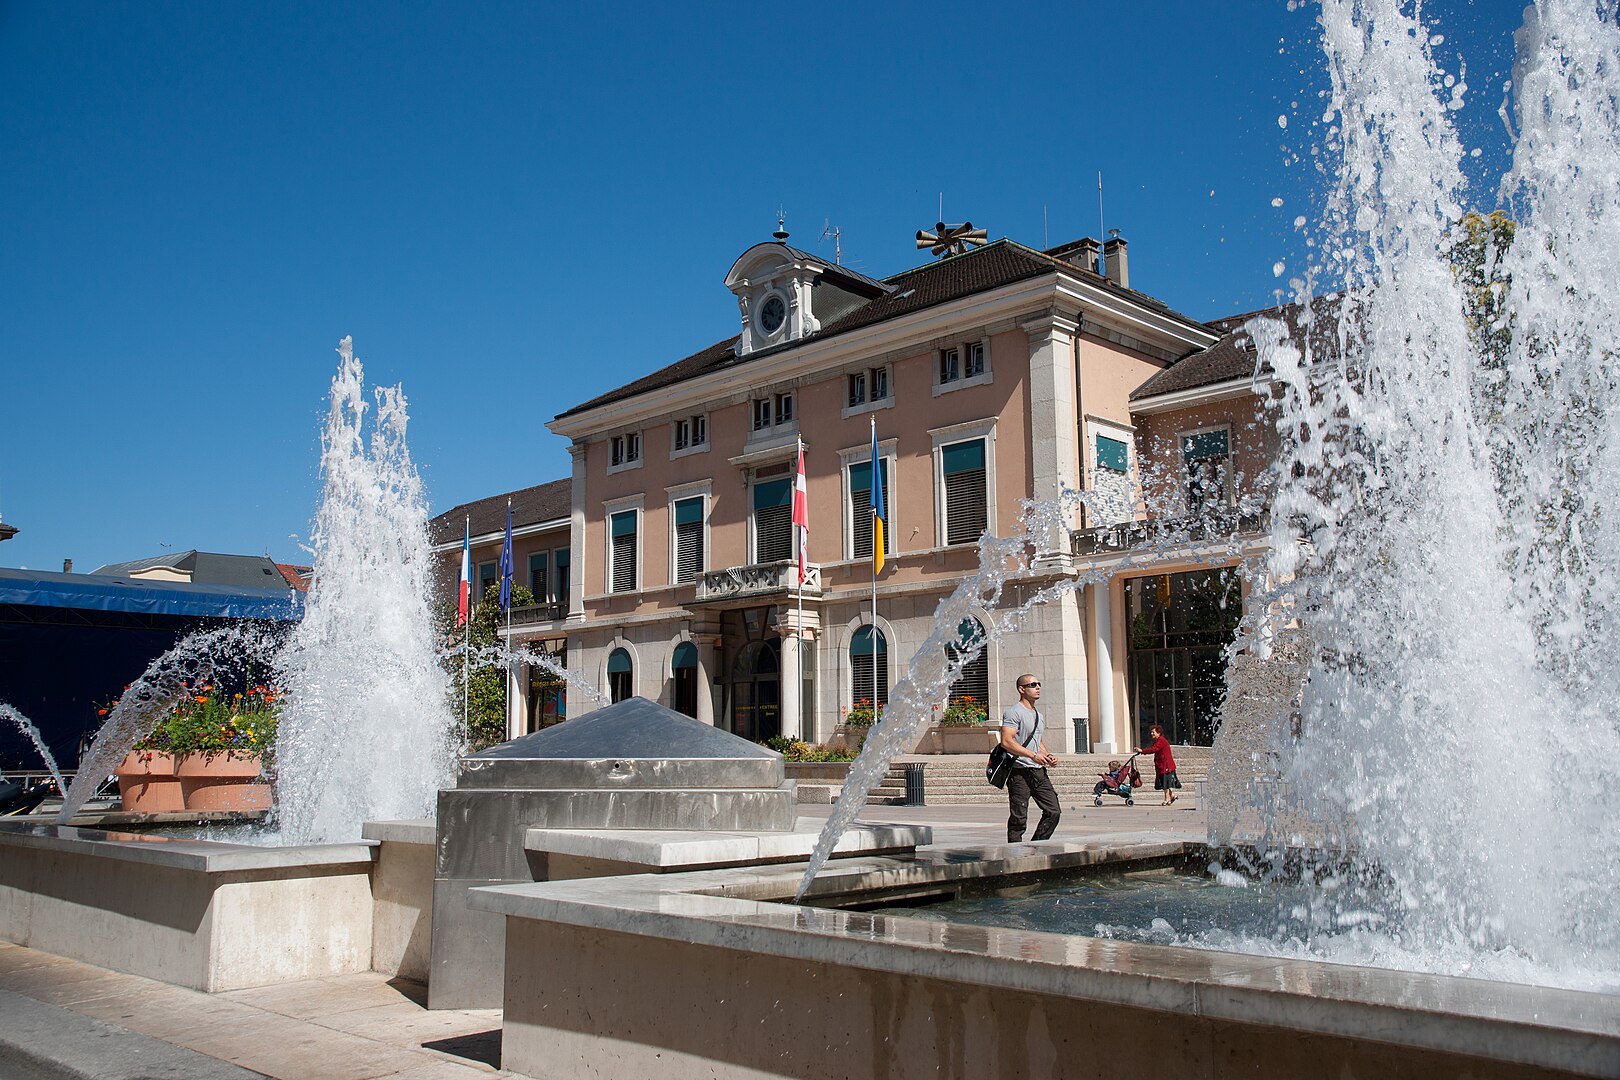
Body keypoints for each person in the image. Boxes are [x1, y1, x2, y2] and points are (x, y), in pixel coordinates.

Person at [1000, 673, 1061, 842]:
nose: (1038, 687)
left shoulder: (1037, 715)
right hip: (1019, 772)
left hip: (1038, 772)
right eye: (1033, 685)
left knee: (1053, 811)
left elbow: (1036, 740)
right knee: (1019, 819)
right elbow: (1006, 741)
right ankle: (1015, 855)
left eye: (1038, 684)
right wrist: (1033, 755)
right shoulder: (1013, 712)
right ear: (1022, 689)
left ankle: (1037, 846)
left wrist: (1047, 755)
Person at [1136, 723, 1181, 805]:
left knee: (1165, 783)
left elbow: (1154, 749)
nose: (1152, 734)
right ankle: (1172, 795)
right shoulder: (1158, 740)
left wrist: (1142, 751)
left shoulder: (1161, 740)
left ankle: (1167, 799)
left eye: (1153, 732)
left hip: (1166, 766)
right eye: (1151, 732)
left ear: (1158, 733)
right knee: (1165, 782)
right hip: (1163, 765)